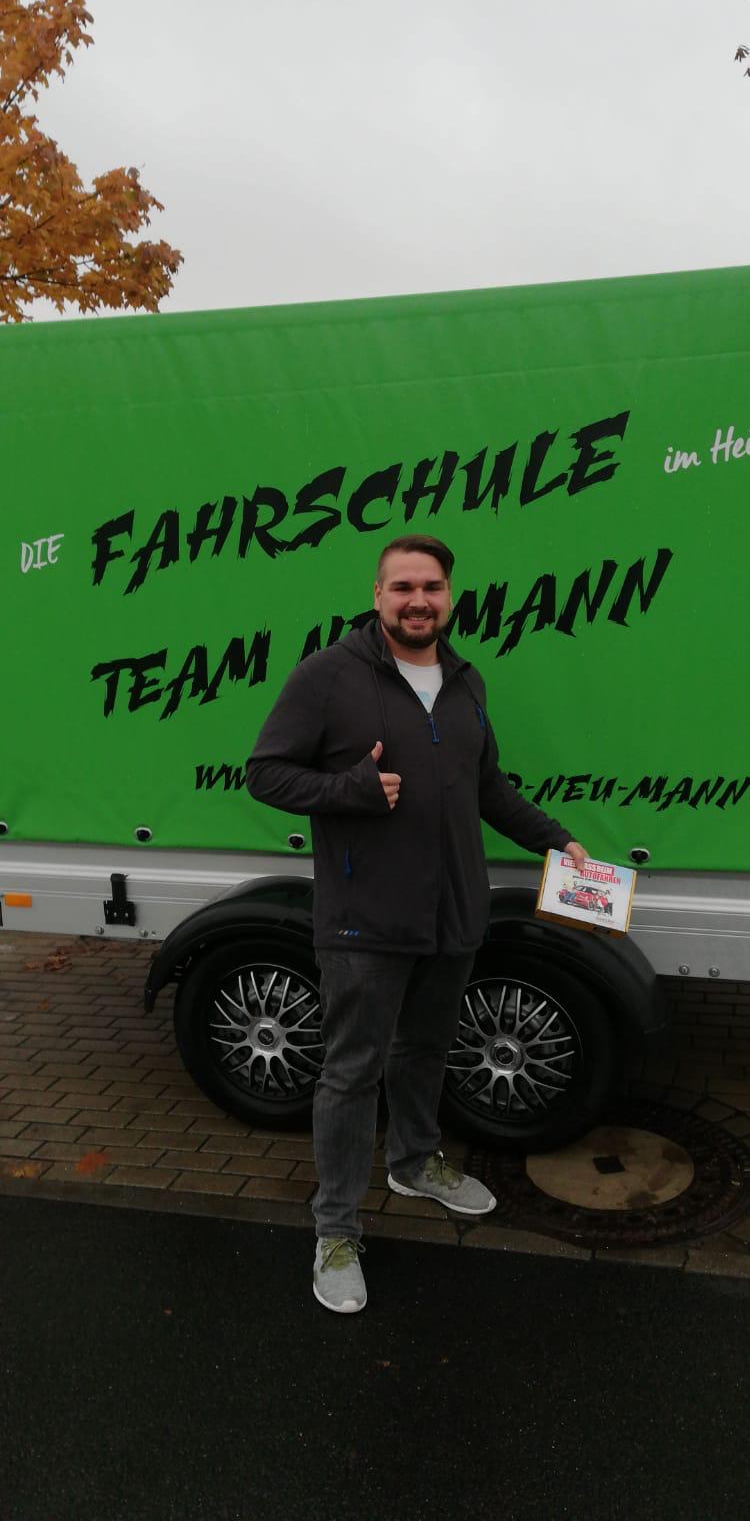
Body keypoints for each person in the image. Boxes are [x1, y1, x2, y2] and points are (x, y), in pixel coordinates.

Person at [246, 534, 588, 1314]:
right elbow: (264, 772)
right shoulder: (329, 675)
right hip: (363, 918)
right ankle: (335, 1229)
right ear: (376, 596)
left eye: (430, 586)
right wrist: (352, 789)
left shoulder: (465, 680)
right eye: (401, 586)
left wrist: (555, 840)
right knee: (350, 1072)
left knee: (426, 1048)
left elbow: (487, 786)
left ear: (449, 596)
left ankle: (412, 1161)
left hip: (452, 911)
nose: (417, 600)